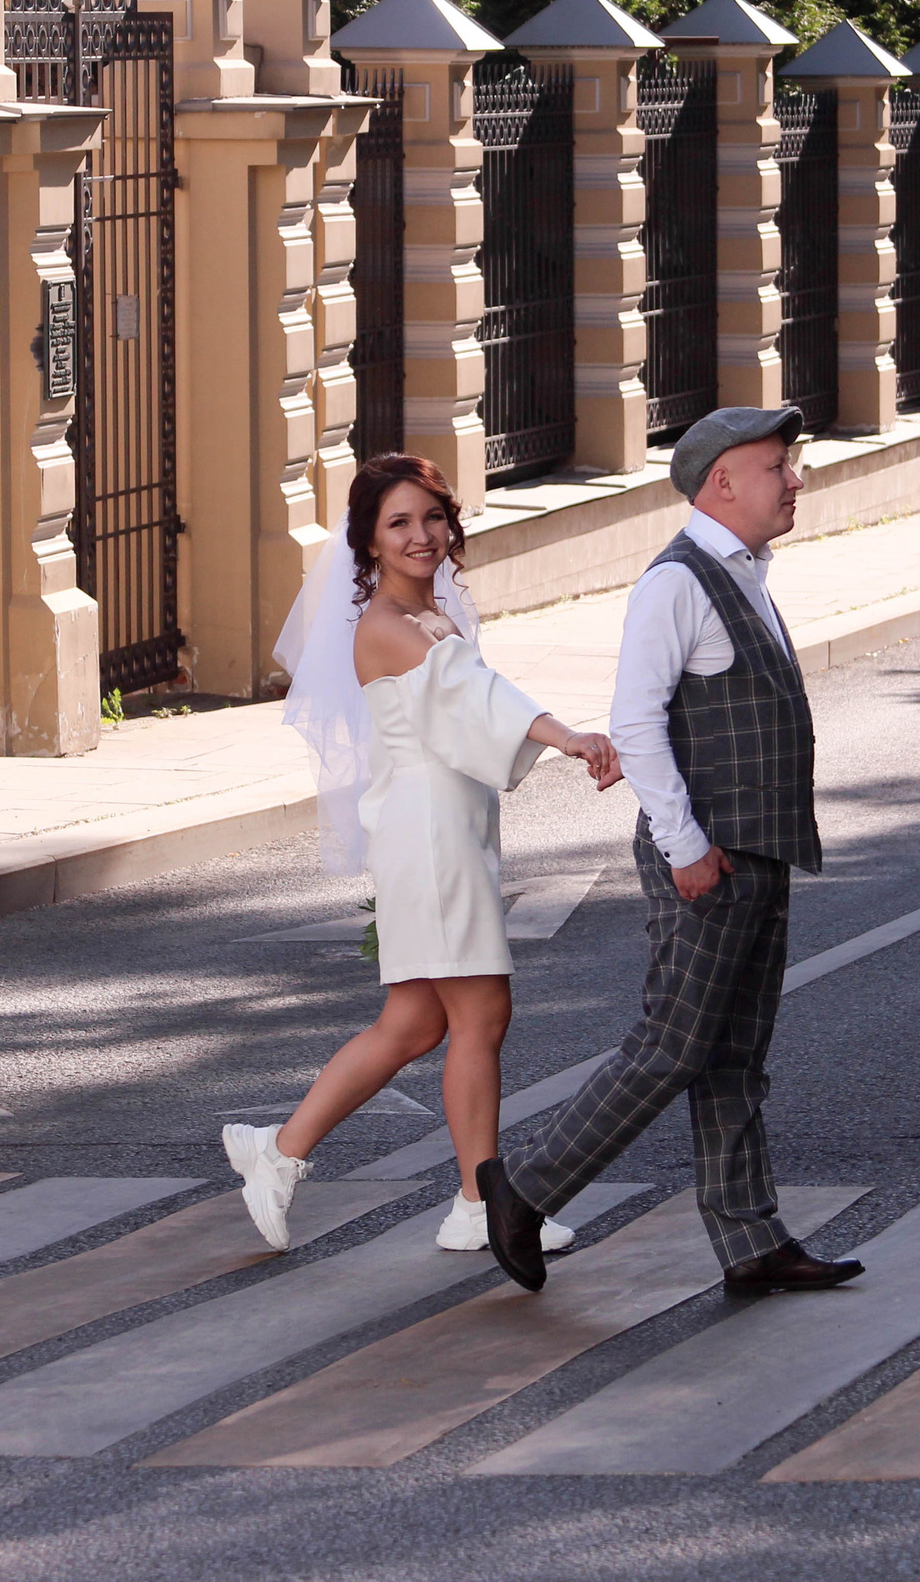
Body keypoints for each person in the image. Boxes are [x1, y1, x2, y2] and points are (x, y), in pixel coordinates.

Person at [475, 407, 864, 1295]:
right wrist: (685, 846)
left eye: (791, 464)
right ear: (721, 481)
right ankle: (524, 1187)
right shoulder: (677, 583)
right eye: (777, 466)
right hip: (707, 857)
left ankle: (751, 1239)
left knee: (735, 1053)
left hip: (756, 850)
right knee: (674, 1044)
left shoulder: (745, 571)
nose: (796, 480)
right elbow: (638, 724)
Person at [224, 453, 621, 1254]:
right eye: (398, 522)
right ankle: (478, 1204)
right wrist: (569, 736)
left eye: (432, 516)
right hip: (431, 836)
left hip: (445, 827)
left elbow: (468, 707)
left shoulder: (432, 613)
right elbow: (481, 697)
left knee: (410, 1023)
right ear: (369, 541)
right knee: (482, 1013)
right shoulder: (386, 627)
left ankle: (280, 1149)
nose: (421, 535)